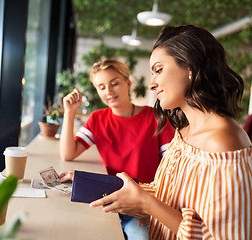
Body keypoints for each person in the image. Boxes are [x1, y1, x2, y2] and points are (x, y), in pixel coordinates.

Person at [90, 25, 252, 240]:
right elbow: (168, 196)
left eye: (158, 70)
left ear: (190, 67)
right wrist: (91, 184)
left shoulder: (223, 142)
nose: (152, 83)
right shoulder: (183, 131)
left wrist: (147, 204)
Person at [59, 59, 175, 239]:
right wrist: (70, 112)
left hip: (140, 205)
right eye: (101, 87)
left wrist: (154, 208)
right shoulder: (97, 119)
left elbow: (173, 171)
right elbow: (68, 153)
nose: (109, 91)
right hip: (107, 201)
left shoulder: (156, 118)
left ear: (127, 83)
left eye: (114, 83)